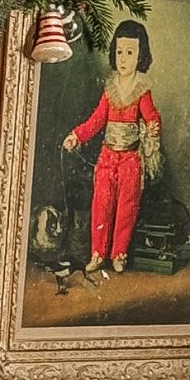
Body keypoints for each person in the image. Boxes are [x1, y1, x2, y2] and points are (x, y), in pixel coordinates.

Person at [61, 19, 161, 280]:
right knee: (101, 204)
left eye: (130, 53)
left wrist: (153, 125)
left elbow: (151, 114)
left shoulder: (141, 89)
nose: (123, 59)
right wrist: (76, 135)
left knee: (127, 207)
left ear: (141, 55)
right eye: (119, 52)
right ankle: (97, 252)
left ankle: (119, 253)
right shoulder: (109, 87)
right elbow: (97, 120)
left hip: (130, 158)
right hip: (107, 156)